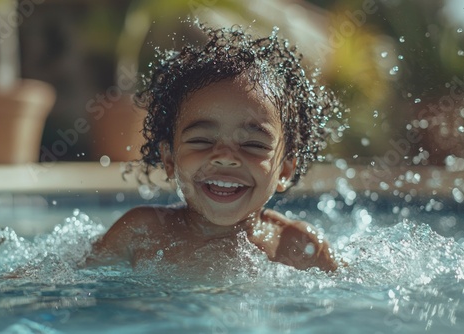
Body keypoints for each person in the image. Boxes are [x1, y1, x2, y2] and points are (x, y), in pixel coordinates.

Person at [87, 25, 343, 272]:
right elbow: (85, 293)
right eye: (202, 141)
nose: (225, 157)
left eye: (253, 145)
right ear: (170, 160)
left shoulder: (299, 247)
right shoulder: (140, 232)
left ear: (285, 170)